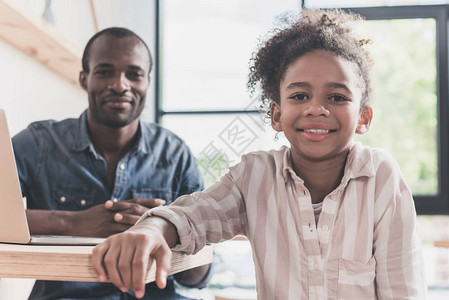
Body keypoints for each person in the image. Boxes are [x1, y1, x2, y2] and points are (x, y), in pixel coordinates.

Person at [91, 9, 426, 299]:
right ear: (276, 115)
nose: (316, 109)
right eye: (299, 96)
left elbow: (403, 291)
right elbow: (194, 215)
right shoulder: (255, 175)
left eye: (337, 98)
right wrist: (148, 231)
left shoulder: (380, 176)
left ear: (363, 118)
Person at [12, 27, 212, 299]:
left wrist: (169, 234)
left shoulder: (175, 153)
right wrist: (71, 224)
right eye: (105, 72)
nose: (120, 85)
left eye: (134, 74)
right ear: (84, 79)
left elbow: (198, 276)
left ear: (147, 82)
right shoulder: (38, 143)